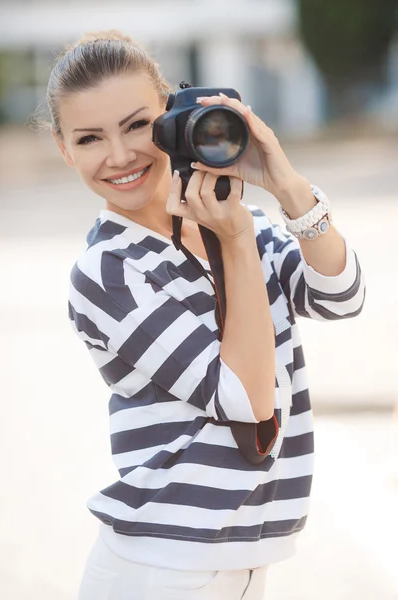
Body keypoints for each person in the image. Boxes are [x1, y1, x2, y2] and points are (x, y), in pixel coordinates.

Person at [46, 30, 365, 600]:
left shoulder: (249, 225)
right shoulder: (110, 270)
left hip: (236, 562)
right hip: (163, 568)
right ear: (65, 149)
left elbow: (341, 294)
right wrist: (236, 237)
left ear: (171, 116)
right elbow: (245, 400)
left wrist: (284, 185)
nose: (119, 156)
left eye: (137, 125)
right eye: (90, 138)